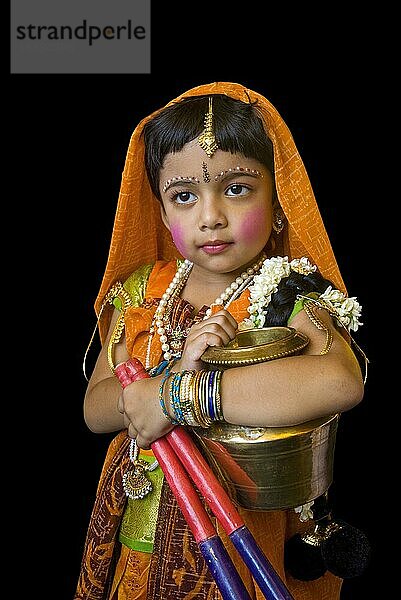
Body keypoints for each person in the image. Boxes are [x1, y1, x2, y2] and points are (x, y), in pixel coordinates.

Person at [74, 82, 367, 600]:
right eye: (183, 197)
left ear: (278, 201)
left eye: (236, 188)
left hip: (241, 527)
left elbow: (339, 380)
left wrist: (175, 397)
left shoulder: (283, 291)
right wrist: (170, 376)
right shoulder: (144, 292)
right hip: (138, 517)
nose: (210, 216)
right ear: (163, 214)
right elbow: (97, 410)